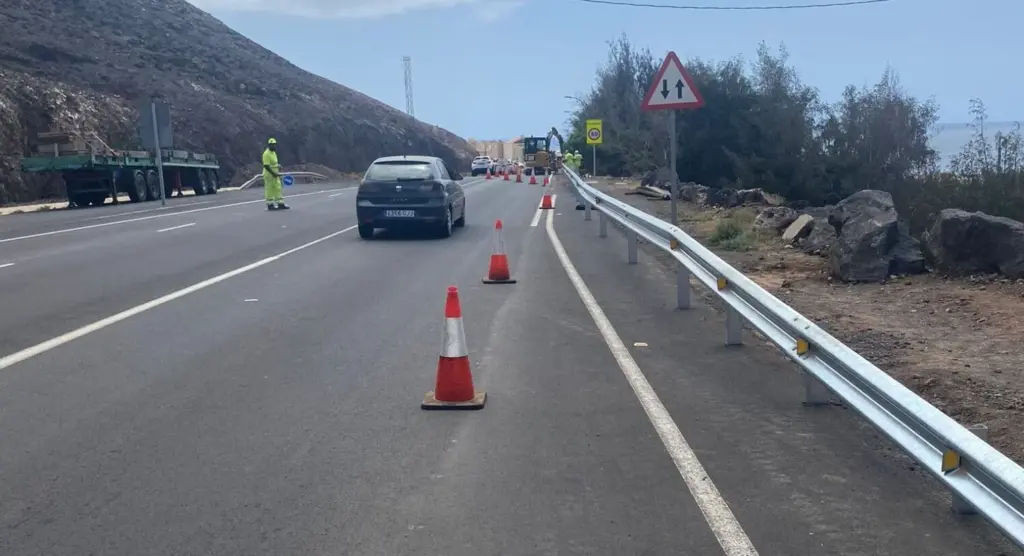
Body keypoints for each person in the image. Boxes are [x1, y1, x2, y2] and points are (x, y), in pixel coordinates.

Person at [262, 138, 289, 210]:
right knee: (269, 190)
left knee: (278, 188)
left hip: (275, 174)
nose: (274, 146)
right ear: (269, 145)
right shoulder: (266, 154)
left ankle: (280, 203)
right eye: (272, 145)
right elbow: (266, 166)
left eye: (274, 145)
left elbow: (274, 163)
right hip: (269, 175)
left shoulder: (273, 153)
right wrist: (273, 173)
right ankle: (270, 205)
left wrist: (278, 165)